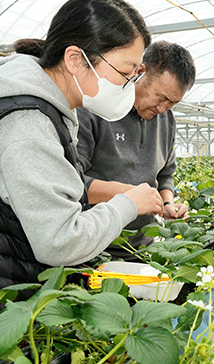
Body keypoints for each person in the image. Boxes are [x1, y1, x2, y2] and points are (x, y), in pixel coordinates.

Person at [0, 0, 164, 314]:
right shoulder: (25, 121)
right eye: (126, 72)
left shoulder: (44, 108)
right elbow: (60, 241)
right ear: (75, 59)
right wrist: (129, 205)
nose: (129, 86)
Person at [76, 40, 196, 259]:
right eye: (161, 97)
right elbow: (70, 182)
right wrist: (129, 195)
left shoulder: (166, 119)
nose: (162, 109)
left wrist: (167, 203)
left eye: (172, 103)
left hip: (141, 247)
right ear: (140, 72)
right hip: (92, 248)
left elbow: (165, 173)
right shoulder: (95, 109)